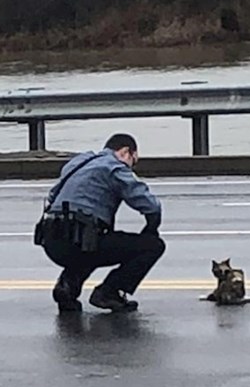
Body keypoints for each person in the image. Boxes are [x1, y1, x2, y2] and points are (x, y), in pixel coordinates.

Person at [35, 133, 165, 312]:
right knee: (152, 246)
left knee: (92, 241)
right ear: (126, 152)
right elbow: (150, 205)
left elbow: (52, 195)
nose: (131, 167)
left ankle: (67, 288)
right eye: (133, 161)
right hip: (79, 241)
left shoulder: (78, 162)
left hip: (51, 241)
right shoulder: (114, 167)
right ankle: (109, 292)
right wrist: (151, 229)